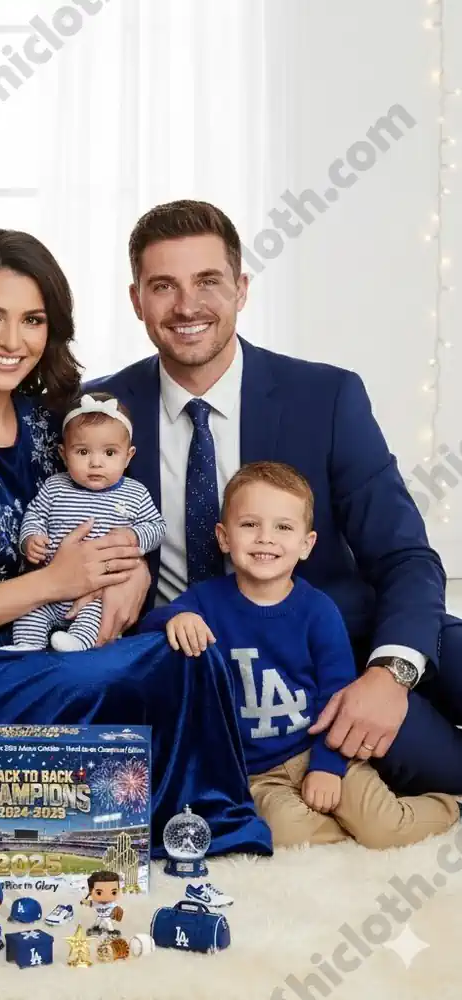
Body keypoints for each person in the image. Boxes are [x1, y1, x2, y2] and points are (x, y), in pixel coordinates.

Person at [0, 228, 272, 857]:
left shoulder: (52, 427)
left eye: (32, 320)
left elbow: (114, 522)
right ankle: (118, 824)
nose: (12, 342)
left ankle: (191, 827)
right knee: (121, 675)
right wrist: (53, 583)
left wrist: (134, 573)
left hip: (58, 642)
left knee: (187, 652)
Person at [88, 199, 462, 796]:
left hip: (339, 640)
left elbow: (405, 558)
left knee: (451, 647)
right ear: (137, 300)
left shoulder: (326, 396)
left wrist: (390, 674)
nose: (187, 306)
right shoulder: (99, 413)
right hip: (226, 672)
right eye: (164, 286)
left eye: (207, 282)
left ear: (241, 288)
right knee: (447, 766)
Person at [139, 461, 458, 847]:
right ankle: (346, 829)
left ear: (306, 544)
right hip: (259, 770)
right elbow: (150, 624)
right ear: (224, 537)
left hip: (321, 749)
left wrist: (327, 767)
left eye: (283, 527)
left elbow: (335, 696)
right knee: (285, 834)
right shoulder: (205, 602)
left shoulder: (318, 611)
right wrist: (177, 616)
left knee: (384, 829)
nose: (265, 539)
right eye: (249, 525)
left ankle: (451, 806)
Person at [8, 390, 165, 652]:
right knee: (29, 612)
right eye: (82, 451)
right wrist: (31, 539)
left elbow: (157, 527)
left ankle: (78, 642)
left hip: (98, 589)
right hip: (49, 585)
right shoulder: (55, 487)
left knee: (98, 612)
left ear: (128, 456)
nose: (95, 463)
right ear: (63, 453)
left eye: (110, 453)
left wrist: (134, 537)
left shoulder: (135, 493)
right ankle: (27, 647)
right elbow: (35, 514)